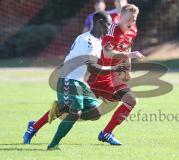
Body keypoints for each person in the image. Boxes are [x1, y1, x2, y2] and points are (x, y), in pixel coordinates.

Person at [22, 11, 128, 149]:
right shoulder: (88, 41)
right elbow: (93, 68)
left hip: (79, 81)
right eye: (109, 24)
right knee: (75, 112)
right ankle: (53, 145)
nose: (111, 27)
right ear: (99, 23)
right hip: (68, 78)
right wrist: (114, 69)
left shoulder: (98, 40)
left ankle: (60, 108)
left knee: (96, 113)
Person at [88, 4, 144, 145]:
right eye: (129, 19)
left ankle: (106, 133)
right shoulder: (111, 29)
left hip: (112, 76)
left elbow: (128, 46)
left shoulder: (133, 30)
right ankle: (36, 125)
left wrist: (128, 68)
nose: (132, 23)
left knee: (131, 100)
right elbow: (107, 52)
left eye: (134, 20)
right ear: (120, 17)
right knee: (73, 111)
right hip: (96, 75)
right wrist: (129, 54)